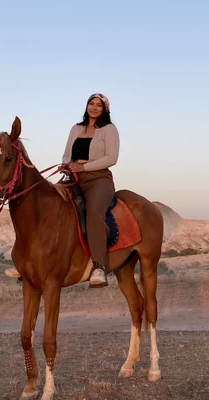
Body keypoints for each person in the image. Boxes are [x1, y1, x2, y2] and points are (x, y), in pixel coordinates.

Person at [61, 93, 120, 288]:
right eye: (91, 103)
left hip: (99, 179)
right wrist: (66, 165)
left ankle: (98, 266)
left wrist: (83, 167)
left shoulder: (109, 129)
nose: (94, 108)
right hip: (74, 177)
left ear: (105, 110)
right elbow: (67, 153)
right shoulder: (76, 128)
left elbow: (112, 158)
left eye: (99, 105)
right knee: (46, 202)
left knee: (94, 213)